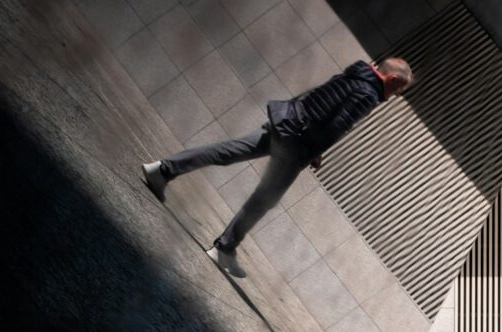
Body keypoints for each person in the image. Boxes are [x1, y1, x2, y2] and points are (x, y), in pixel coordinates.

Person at [142, 57, 413, 277]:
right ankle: (224, 248)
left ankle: (163, 169)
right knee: (264, 199)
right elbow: (336, 127)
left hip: (287, 122)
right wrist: (313, 154)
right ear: (392, 79)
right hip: (297, 143)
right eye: (397, 90)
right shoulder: (368, 93)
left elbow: (320, 96)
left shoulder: (356, 73)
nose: (394, 95)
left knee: (227, 151)